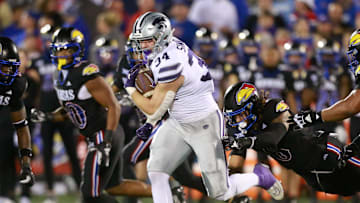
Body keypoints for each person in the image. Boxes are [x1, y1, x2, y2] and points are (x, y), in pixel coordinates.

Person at [124, 11, 284, 202]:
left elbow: (152, 108)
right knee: (157, 171)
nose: (143, 46)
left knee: (220, 192)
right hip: (178, 121)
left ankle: (260, 177)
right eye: (140, 41)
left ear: (161, 37)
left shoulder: (171, 62)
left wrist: (131, 89)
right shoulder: (169, 46)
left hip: (203, 123)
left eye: (148, 40)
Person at [30, 27, 153, 203]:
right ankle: (168, 193)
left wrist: (107, 141)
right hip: (97, 136)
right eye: (59, 49)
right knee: (114, 187)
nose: (62, 53)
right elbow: (70, 110)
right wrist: (48, 117)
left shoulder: (87, 74)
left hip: (103, 134)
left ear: (77, 50)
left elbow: (113, 106)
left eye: (67, 49)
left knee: (90, 194)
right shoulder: (59, 75)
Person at [222, 81, 360, 196]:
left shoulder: (274, 107)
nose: (237, 121)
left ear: (252, 106)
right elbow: (235, 164)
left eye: (240, 115)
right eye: (234, 117)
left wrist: (244, 142)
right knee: (350, 189)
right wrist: (233, 186)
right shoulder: (243, 128)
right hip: (312, 175)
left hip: (326, 152)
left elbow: (274, 136)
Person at [288, 28, 360, 160]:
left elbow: (352, 105)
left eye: (357, 53)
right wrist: (356, 145)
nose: (355, 59)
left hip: (332, 119)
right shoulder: (314, 73)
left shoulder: (340, 74)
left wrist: (314, 117)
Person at [0, 37, 35, 200]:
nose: (8, 72)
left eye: (11, 66)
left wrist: (26, 164)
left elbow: (21, 126)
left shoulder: (17, 84)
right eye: (4, 66)